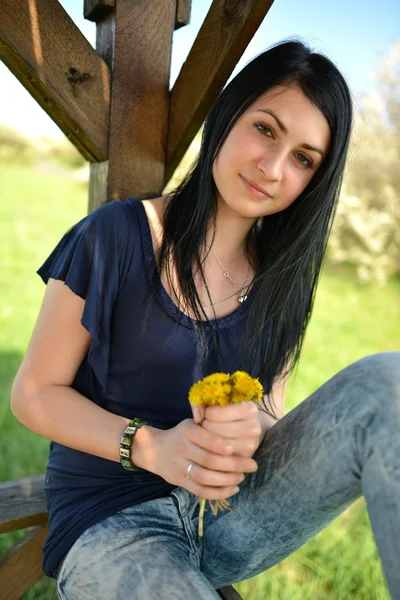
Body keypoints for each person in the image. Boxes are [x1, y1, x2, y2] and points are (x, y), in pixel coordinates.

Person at [11, 39, 399, 600]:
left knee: (387, 385)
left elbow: (269, 415)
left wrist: (250, 428)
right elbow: (33, 393)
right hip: (112, 524)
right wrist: (152, 447)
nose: (272, 167)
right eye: (265, 129)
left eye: (303, 158)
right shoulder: (115, 236)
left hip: (232, 516)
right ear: (228, 115)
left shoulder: (282, 280)